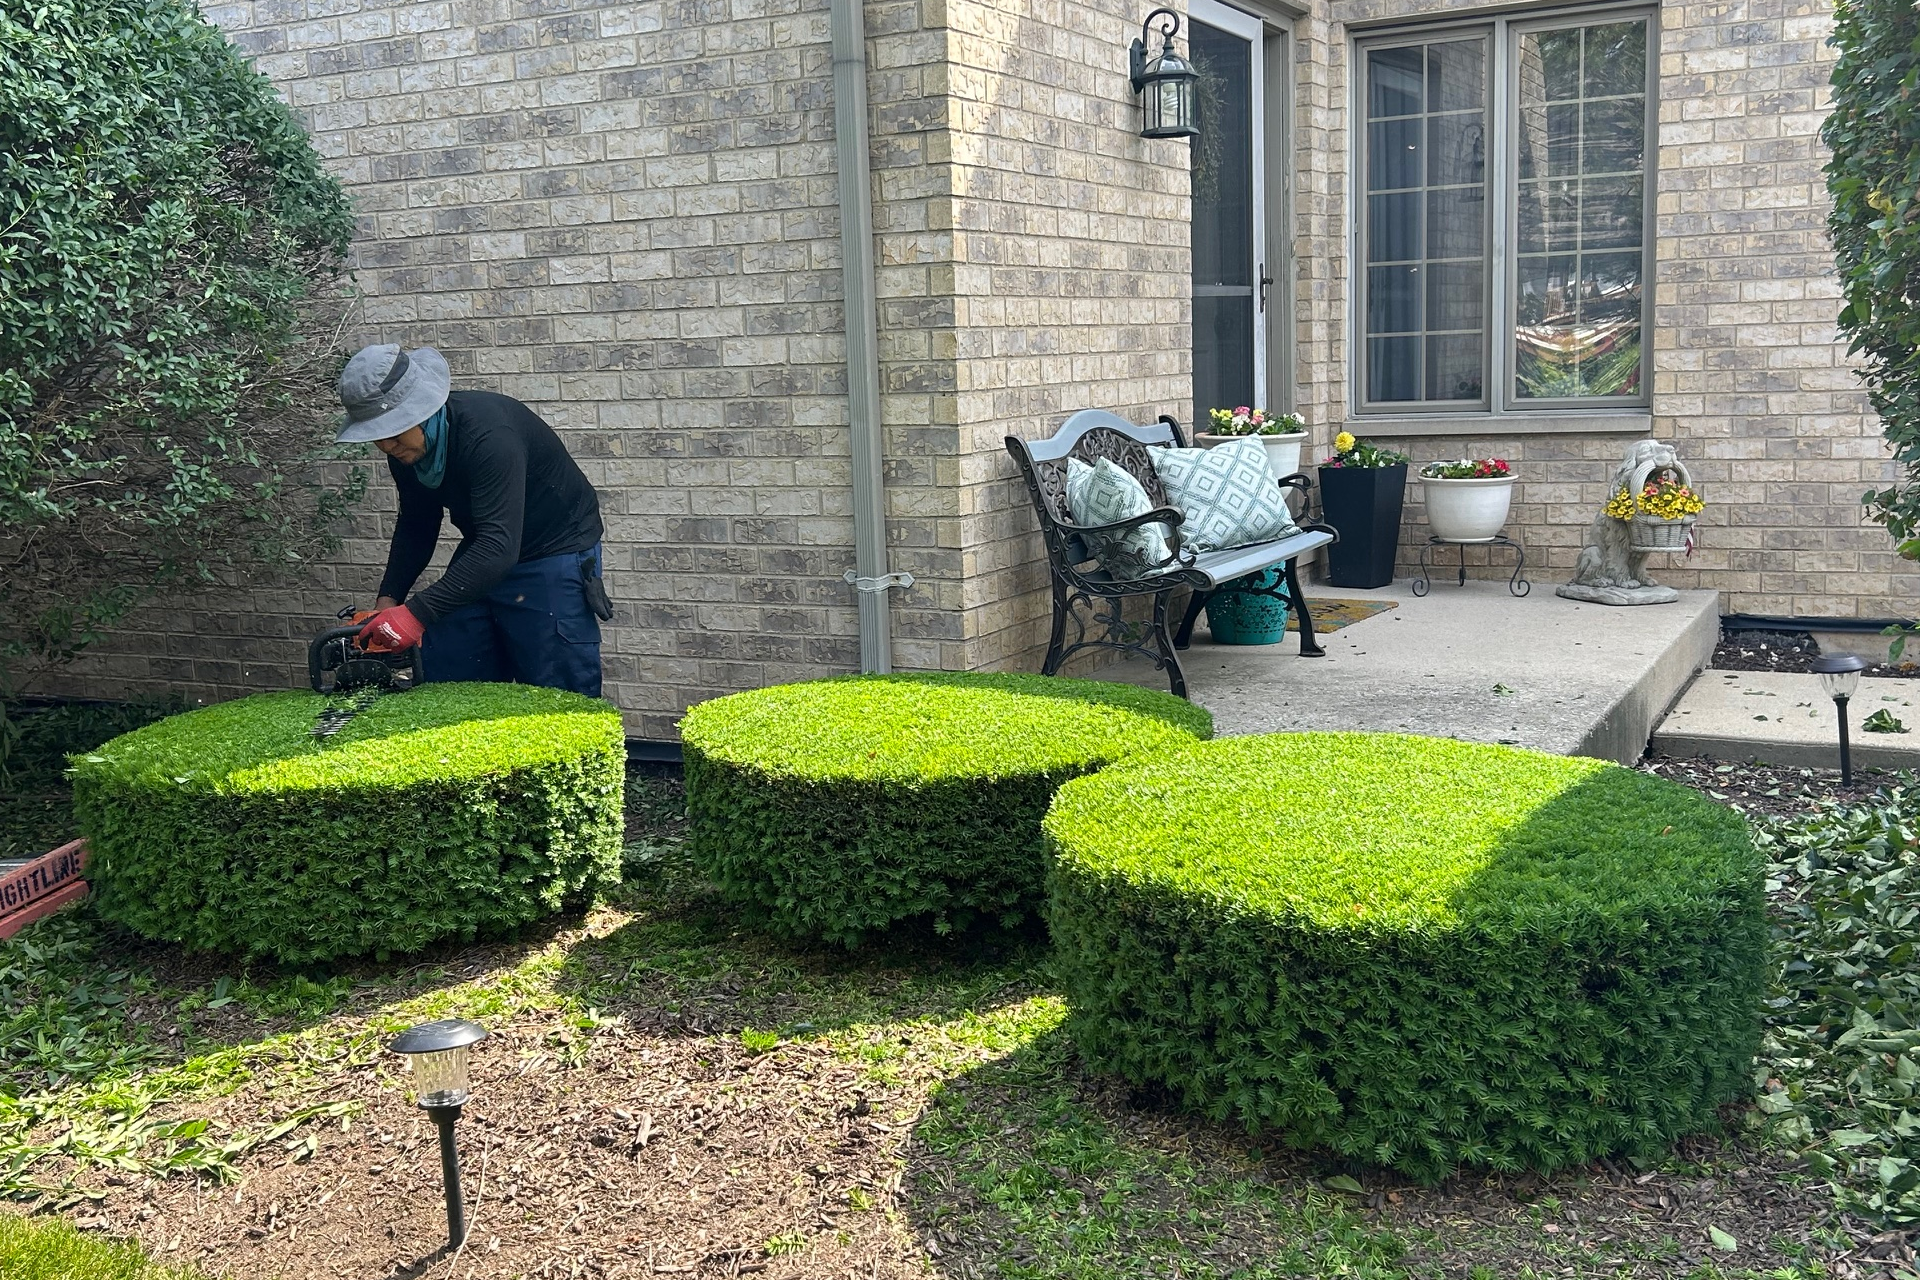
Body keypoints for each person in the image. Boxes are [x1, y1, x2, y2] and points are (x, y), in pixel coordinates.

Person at [336, 343, 612, 697]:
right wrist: (389, 602)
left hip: (553, 548)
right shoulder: (407, 451)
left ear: (421, 411)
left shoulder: (489, 435)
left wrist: (415, 614)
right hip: (487, 546)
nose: (387, 446)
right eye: (377, 436)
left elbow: (500, 548)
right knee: (454, 669)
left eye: (393, 431)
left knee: (555, 689)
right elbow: (417, 524)